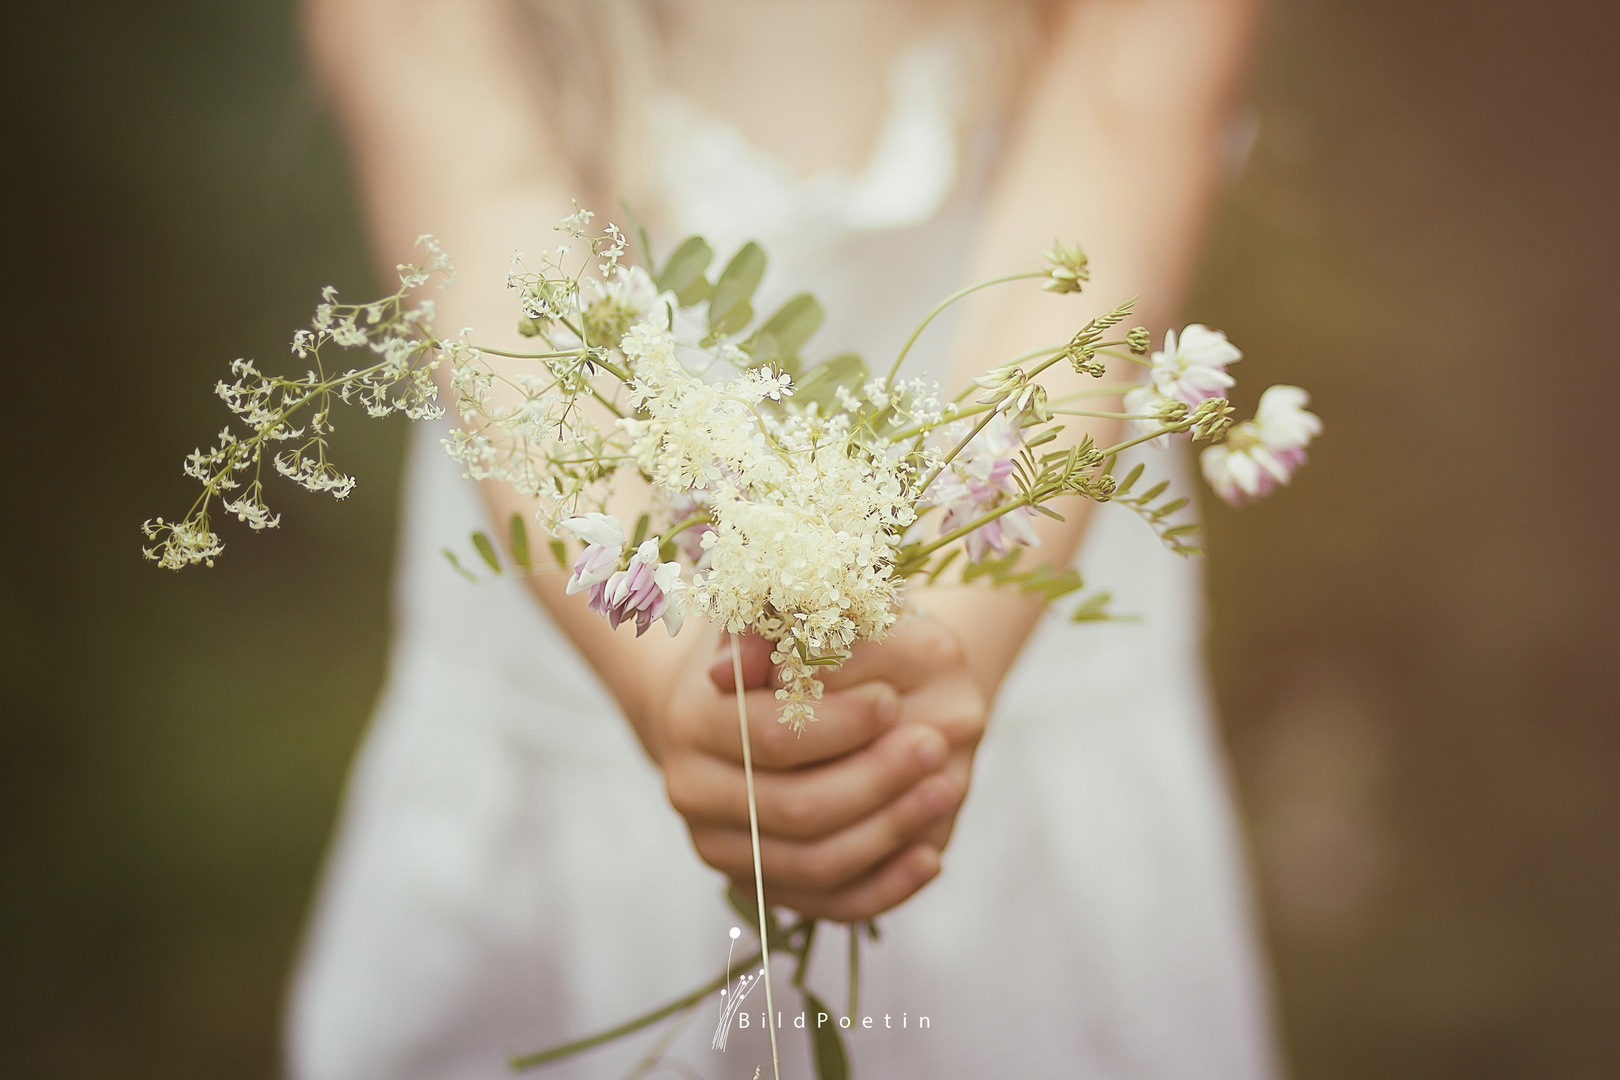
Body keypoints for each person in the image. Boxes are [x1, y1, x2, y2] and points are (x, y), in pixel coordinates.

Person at [289, 1, 1277, 1077]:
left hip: (1022, 618)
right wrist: (675, 679)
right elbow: (492, 279)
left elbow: (1120, 127)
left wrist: (932, 661)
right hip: (582, 646)